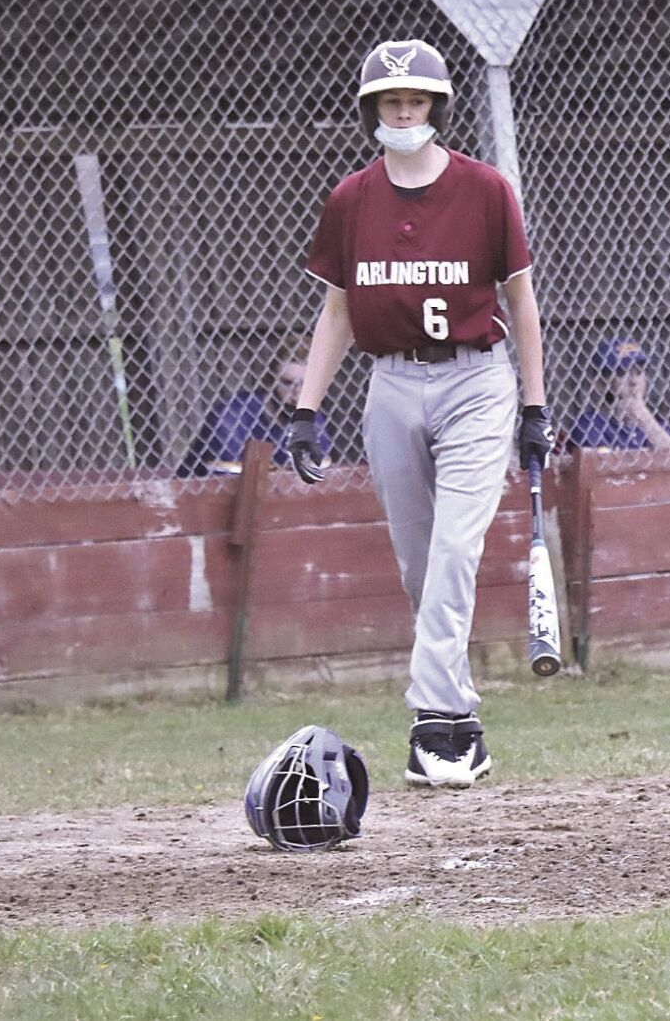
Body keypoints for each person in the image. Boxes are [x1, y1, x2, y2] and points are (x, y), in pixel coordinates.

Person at [286, 39, 554, 789]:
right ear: (371, 108)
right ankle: (462, 715)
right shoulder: (351, 199)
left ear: (437, 106)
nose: (404, 111)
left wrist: (533, 404)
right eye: (391, 100)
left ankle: (434, 726)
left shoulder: (486, 189)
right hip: (390, 383)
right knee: (417, 562)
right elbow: (337, 311)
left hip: (477, 382)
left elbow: (522, 302)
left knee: (454, 551)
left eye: (417, 99)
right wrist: (306, 411)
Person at [176, 336, 331, 477]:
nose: (297, 393)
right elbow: (228, 484)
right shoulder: (232, 418)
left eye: (305, 384)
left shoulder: (314, 419)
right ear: (269, 381)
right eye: (287, 383)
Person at [566, 337, 670, 450]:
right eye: (622, 373)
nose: (634, 381)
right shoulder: (589, 425)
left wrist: (643, 417)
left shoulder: (657, 424)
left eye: (638, 372)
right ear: (601, 383)